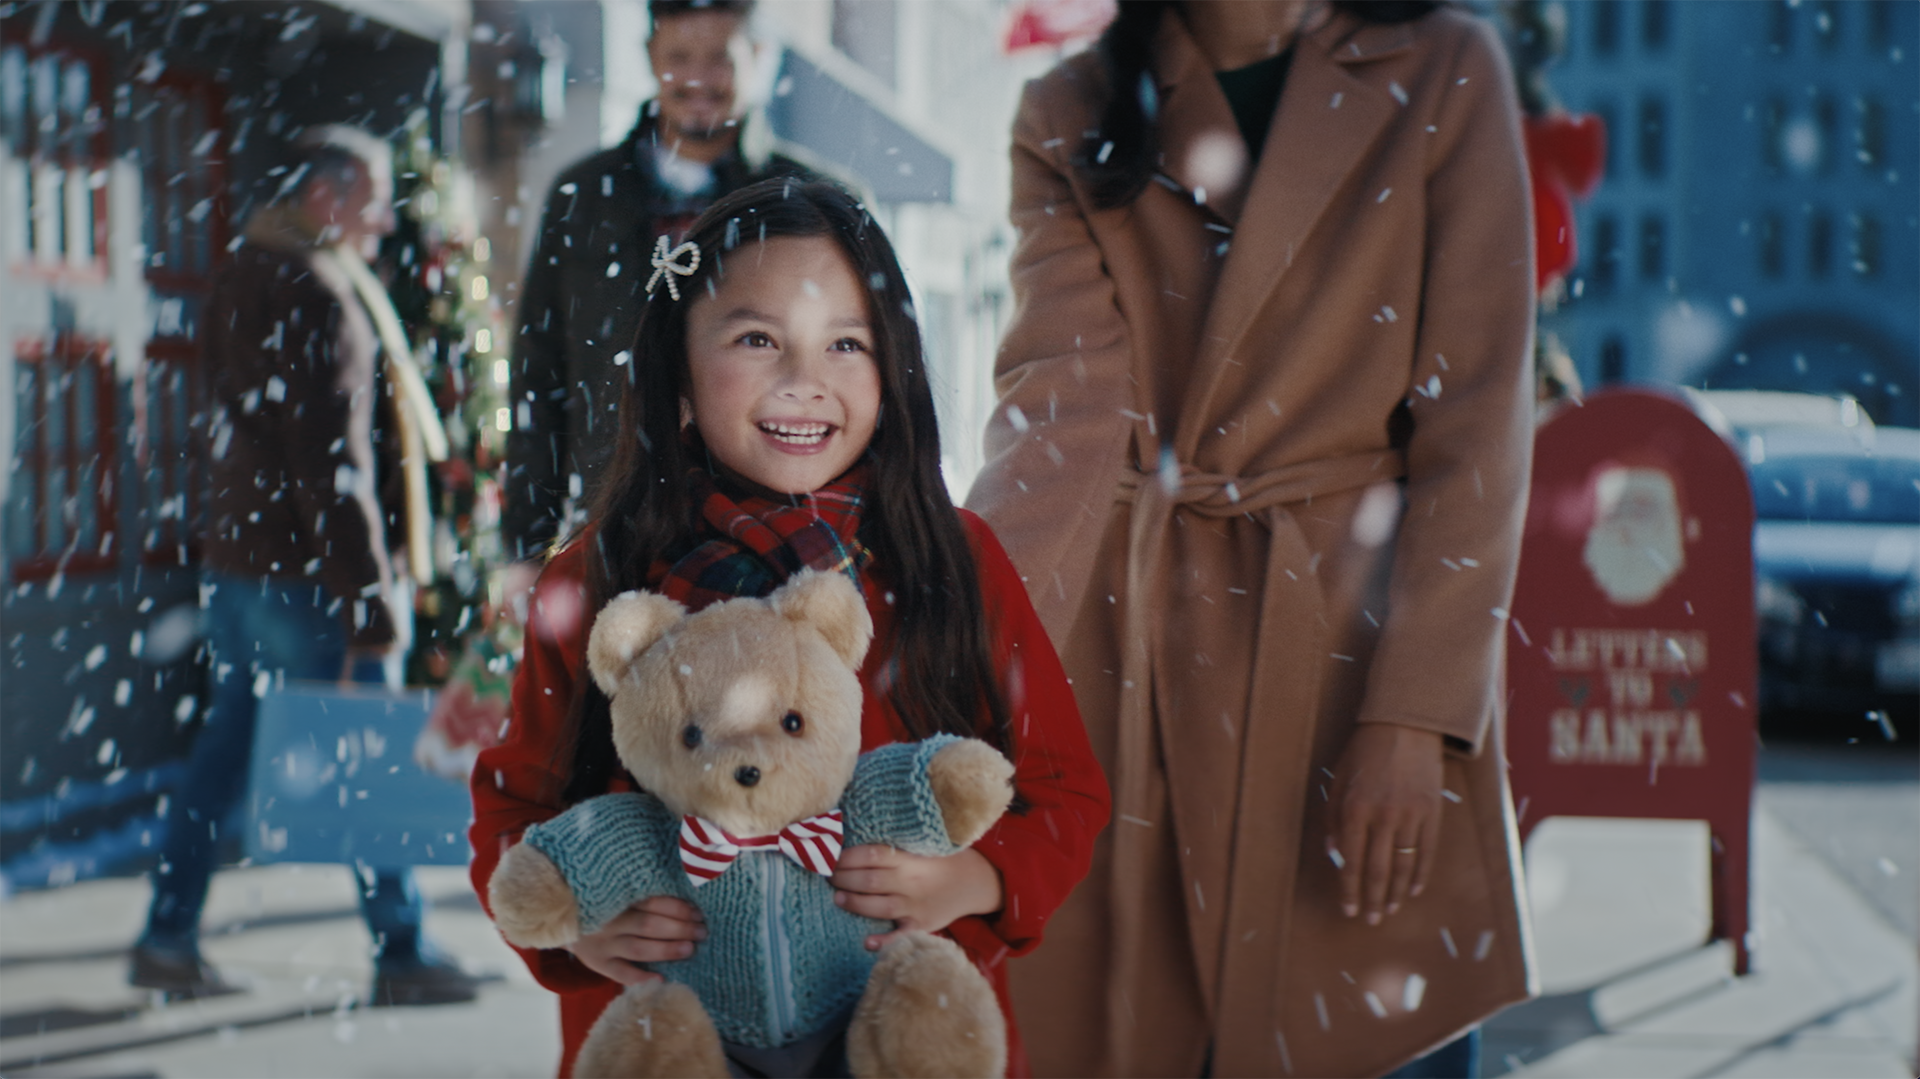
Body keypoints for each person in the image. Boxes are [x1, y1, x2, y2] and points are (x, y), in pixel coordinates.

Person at [965, 0, 1537, 1076]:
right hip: (1133, 662)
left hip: (1354, 653)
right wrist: (957, 662)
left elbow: (1477, 422)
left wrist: (1414, 715)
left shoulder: (1448, 64)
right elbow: (1062, 418)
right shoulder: (1071, 106)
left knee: (1362, 1030)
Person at [470, 179, 1110, 1079]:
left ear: (892, 372)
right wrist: (581, 929)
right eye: (758, 339)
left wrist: (979, 877)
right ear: (679, 373)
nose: (805, 381)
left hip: (899, 1037)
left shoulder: (951, 562)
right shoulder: (598, 579)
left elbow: (1065, 790)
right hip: (670, 1037)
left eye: (846, 343)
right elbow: (512, 811)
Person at [131, 127, 480, 1007]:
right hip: (311, 577)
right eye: (369, 196)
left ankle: (167, 935)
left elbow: (255, 433)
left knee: (224, 748)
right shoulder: (320, 291)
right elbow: (335, 468)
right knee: (367, 753)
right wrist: (372, 605)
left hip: (243, 565)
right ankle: (401, 952)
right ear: (325, 198)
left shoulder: (244, 273)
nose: (386, 217)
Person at [504, 0, 812, 565]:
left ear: (760, 57)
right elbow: (538, 371)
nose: (697, 78)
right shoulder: (582, 196)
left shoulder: (809, 201)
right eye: (679, 57)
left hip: (771, 537)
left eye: (719, 58)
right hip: (611, 528)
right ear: (649, 57)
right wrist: (525, 547)